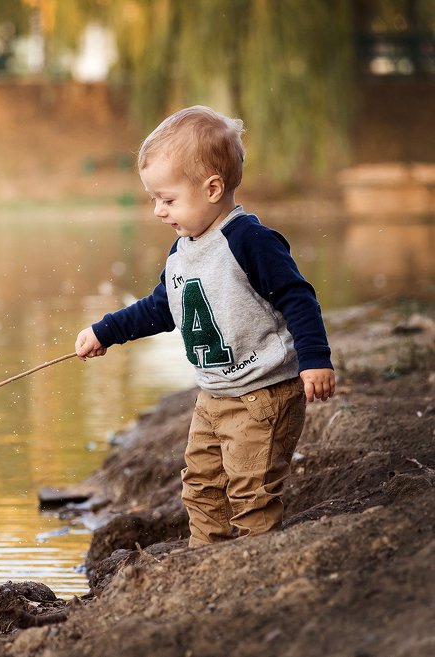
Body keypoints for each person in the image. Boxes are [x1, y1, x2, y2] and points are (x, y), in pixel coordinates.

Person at [74, 105, 336, 547]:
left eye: (168, 199)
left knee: (251, 489)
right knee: (201, 487)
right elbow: (162, 307)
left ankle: (255, 555)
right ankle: (206, 554)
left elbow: (298, 298)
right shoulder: (183, 252)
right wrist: (106, 331)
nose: (158, 210)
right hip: (213, 397)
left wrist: (315, 360)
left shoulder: (249, 241)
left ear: (212, 188)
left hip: (263, 394)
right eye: (155, 199)